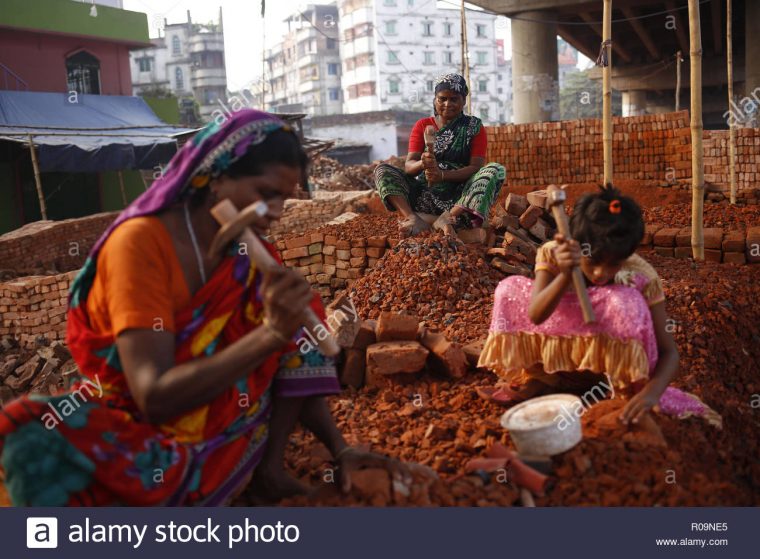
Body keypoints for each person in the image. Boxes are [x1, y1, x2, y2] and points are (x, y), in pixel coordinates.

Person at [0, 109, 410, 506]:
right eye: (265, 194)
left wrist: (340, 449)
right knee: (31, 436)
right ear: (215, 179)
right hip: (140, 423)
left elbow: (295, 346)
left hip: (225, 426)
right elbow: (153, 396)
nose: (276, 213)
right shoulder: (140, 244)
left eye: (284, 199)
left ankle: (268, 472)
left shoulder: (246, 252)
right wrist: (269, 335)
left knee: (303, 320)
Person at [477, 185, 721, 427]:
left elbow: (670, 353)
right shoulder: (555, 254)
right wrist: (565, 274)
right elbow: (537, 314)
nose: (600, 273)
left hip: (604, 374)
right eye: (592, 260)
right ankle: (545, 378)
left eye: (614, 264)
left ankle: (614, 388)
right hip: (562, 365)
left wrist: (650, 394)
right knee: (509, 289)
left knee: (625, 303)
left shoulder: (641, 275)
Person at [374, 73, 506, 238]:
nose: (447, 104)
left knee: (495, 170)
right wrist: (423, 163)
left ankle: (449, 218)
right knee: (382, 170)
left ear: (463, 100)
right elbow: (409, 167)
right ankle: (414, 218)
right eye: (442, 99)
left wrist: (442, 175)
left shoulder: (473, 127)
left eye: (454, 99)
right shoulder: (423, 125)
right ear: (435, 100)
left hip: (459, 196)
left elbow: (475, 167)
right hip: (424, 195)